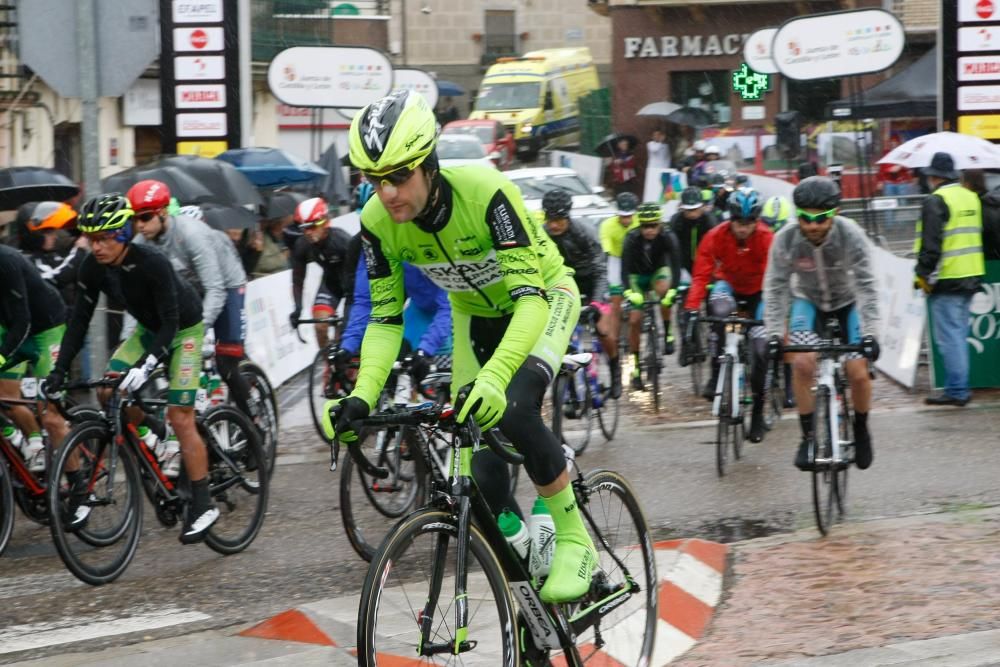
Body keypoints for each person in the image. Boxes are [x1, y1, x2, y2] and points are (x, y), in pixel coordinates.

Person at [329, 90, 596, 604]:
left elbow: (530, 300)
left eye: (399, 176)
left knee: (514, 409)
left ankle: (573, 538)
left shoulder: (485, 192)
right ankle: (525, 559)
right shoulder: (376, 224)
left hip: (542, 301)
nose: (387, 194)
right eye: (374, 180)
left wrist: (496, 379)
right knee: (477, 466)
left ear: (429, 165)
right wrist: (363, 396)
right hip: (473, 317)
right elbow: (385, 319)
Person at [45, 195, 219, 541]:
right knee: (108, 389)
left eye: (105, 238)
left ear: (123, 233)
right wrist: (58, 372)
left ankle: (203, 503)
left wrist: (148, 365)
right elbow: (78, 323)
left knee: (181, 416)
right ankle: (152, 435)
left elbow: (171, 322)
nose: (97, 247)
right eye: (92, 239)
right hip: (147, 329)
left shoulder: (151, 261)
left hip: (183, 327)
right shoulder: (93, 267)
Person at [763, 176, 880, 471]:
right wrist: (775, 333)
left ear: (835, 214)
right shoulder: (786, 239)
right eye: (805, 218)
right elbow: (775, 287)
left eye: (821, 218)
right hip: (808, 301)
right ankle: (808, 437)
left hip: (847, 302)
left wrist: (871, 334)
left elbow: (867, 286)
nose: (812, 226)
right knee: (802, 363)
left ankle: (862, 430)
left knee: (858, 372)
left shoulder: (851, 235)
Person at [127, 180, 257, 437]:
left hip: (227, 284)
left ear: (163, 212)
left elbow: (216, 289)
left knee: (226, 362)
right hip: (188, 289)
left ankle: (255, 425)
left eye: (145, 217)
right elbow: (137, 300)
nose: (140, 225)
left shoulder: (191, 235)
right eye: (135, 218)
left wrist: (197, 331)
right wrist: (128, 337)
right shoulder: (141, 242)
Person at [685, 190, 774, 441]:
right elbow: (701, 275)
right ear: (730, 219)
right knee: (721, 314)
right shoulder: (715, 236)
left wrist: (774, 315)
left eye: (748, 224)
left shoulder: (767, 238)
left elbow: (775, 280)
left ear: (756, 221)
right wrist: (691, 310)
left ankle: (757, 411)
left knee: (759, 350)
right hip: (730, 288)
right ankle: (716, 372)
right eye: (738, 223)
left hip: (760, 293)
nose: (743, 229)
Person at [914, 152, 985, 406]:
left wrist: (922, 275)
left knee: (950, 337)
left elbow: (932, 245)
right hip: (971, 274)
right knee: (958, 333)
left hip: (946, 277)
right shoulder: (971, 197)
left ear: (933, 177)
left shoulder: (936, 200)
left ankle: (957, 390)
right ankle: (959, 387)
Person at [542, 188, 621, 397]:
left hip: (590, 282)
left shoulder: (584, 232)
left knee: (603, 328)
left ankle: (615, 371)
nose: (554, 224)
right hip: (563, 285)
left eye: (559, 219)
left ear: (567, 216)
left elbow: (600, 271)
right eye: (550, 219)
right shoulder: (541, 236)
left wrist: (596, 303)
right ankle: (566, 388)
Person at [0, 244, 70, 472]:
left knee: (50, 415)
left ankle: (75, 483)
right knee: (7, 399)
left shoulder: (6, 260)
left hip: (45, 327)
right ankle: (34, 443)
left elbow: (23, 321)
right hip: (9, 326)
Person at [621, 202, 681, 389]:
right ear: (640, 225)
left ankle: (667, 332)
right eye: (645, 226)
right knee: (634, 320)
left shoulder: (668, 236)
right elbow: (623, 270)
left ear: (660, 224)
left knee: (665, 290)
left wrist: (674, 289)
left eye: (653, 225)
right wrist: (629, 293)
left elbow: (676, 265)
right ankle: (636, 366)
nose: (649, 230)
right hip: (636, 277)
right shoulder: (631, 238)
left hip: (657, 272)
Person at [289, 197, 353, 350]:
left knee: (345, 335)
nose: (308, 232)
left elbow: (362, 272)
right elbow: (298, 280)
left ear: (325, 222)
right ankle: (328, 366)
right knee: (320, 326)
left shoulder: (342, 241)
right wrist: (298, 309)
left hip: (353, 285)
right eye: (305, 228)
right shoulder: (302, 245)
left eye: (313, 226)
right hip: (331, 285)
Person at [599, 192, 639, 387]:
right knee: (615, 304)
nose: (626, 219)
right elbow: (606, 252)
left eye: (629, 215)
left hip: (634, 261)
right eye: (622, 216)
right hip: (616, 259)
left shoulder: (640, 222)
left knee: (636, 307)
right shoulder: (607, 226)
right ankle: (614, 340)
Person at [14, 201, 87, 309]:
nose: (54, 237)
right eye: (47, 232)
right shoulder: (24, 260)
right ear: (33, 234)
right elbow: (57, 278)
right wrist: (79, 250)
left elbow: (64, 264)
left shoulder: (48, 254)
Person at [669, 186, 719, 282]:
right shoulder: (675, 221)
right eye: (688, 210)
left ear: (702, 206)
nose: (692, 214)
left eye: (695, 209)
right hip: (682, 265)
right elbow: (671, 248)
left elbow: (717, 247)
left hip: (706, 264)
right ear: (682, 207)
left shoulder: (710, 221)